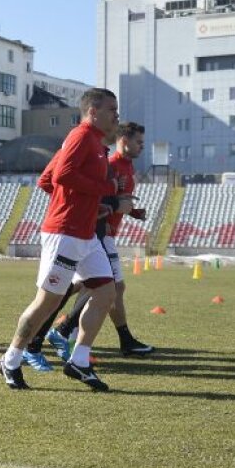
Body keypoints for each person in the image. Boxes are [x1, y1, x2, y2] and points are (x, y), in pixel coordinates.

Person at [0, 88, 129, 391]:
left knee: (108, 293)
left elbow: (48, 180)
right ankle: (11, 358)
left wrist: (94, 205)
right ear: (93, 111)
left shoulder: (94, 144)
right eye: (112, 109)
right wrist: (102, 189)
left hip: (84, 233)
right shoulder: (81, 137)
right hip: (65, 233)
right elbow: (61, 177)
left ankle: (79, 362)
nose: (116, 116)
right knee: (48, 302)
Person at [44, 122, 154, 362]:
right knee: (109, 287)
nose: (142, 147)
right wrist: (109, 209)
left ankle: (62, 330)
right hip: (96, 232)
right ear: (123, 141)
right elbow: (94, 195)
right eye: (139, 142)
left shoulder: (126, 167)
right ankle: (62, 332)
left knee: (92, 286)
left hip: (104, 233)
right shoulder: (111, 164)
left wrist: (132, 212)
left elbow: (112, 198)